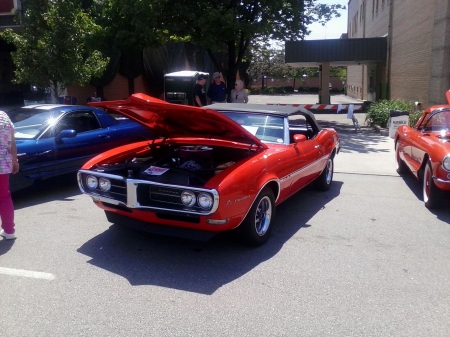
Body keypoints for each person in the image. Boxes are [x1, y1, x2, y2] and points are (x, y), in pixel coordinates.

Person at [0, 110, 19, 240]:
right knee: (4, 197)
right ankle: (9, 230)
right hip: (3, 163)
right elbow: (12, 140)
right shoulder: (4, 116)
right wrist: (15, 160)